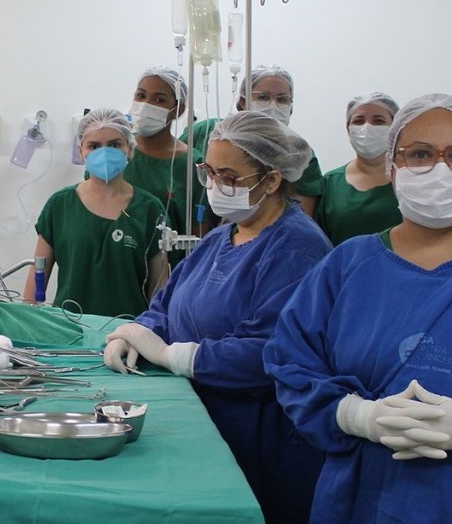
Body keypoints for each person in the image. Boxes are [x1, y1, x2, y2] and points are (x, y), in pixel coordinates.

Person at [265, 93, 452, 523]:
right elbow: (290, 364)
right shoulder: (346, 265)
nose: (440, 170)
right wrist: (356, 415)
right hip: (362, 498)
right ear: (392, 167)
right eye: (420, 154)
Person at [104, 110, 332, 523]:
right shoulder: (219, 238)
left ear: (272, 180)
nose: (214, 185)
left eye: (229, 176)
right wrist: (137, 331)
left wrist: (172, 356)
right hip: (207, 426)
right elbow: (167, 304)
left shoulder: (296, 248)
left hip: (262, 438)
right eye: (208, 172)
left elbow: (271, 353)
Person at [23, 108, 167, 317]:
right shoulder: (60, 205)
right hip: (69, 328)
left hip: (128, 329)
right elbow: (38, 277)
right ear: (81, 151)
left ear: (130, 149)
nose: (105, 153)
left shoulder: (150, 209)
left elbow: (159, 287)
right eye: (94, 146)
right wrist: (26, 320)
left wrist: (155, 329)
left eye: (115, 145)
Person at [180, 64, 324, 216]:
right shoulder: (208, 132)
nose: (273, 106)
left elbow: (301, 215)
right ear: (243, 101)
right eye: (263, 97)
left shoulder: (298, 153)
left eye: (282, 99)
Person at [125, 66, 211, 267]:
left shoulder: (191, 164)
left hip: (171, 269)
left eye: (159, 99)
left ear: (178, 110)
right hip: (118, 263)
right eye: (141, 95)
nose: (146, 104)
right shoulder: (117, 153)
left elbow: (200, 232)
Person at [315, 92, 402, 245]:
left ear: (394, 129)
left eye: (378, 121)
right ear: (348, 129)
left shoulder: (409, 179)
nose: (367, 127)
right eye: (359, 121)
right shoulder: (330, 184)